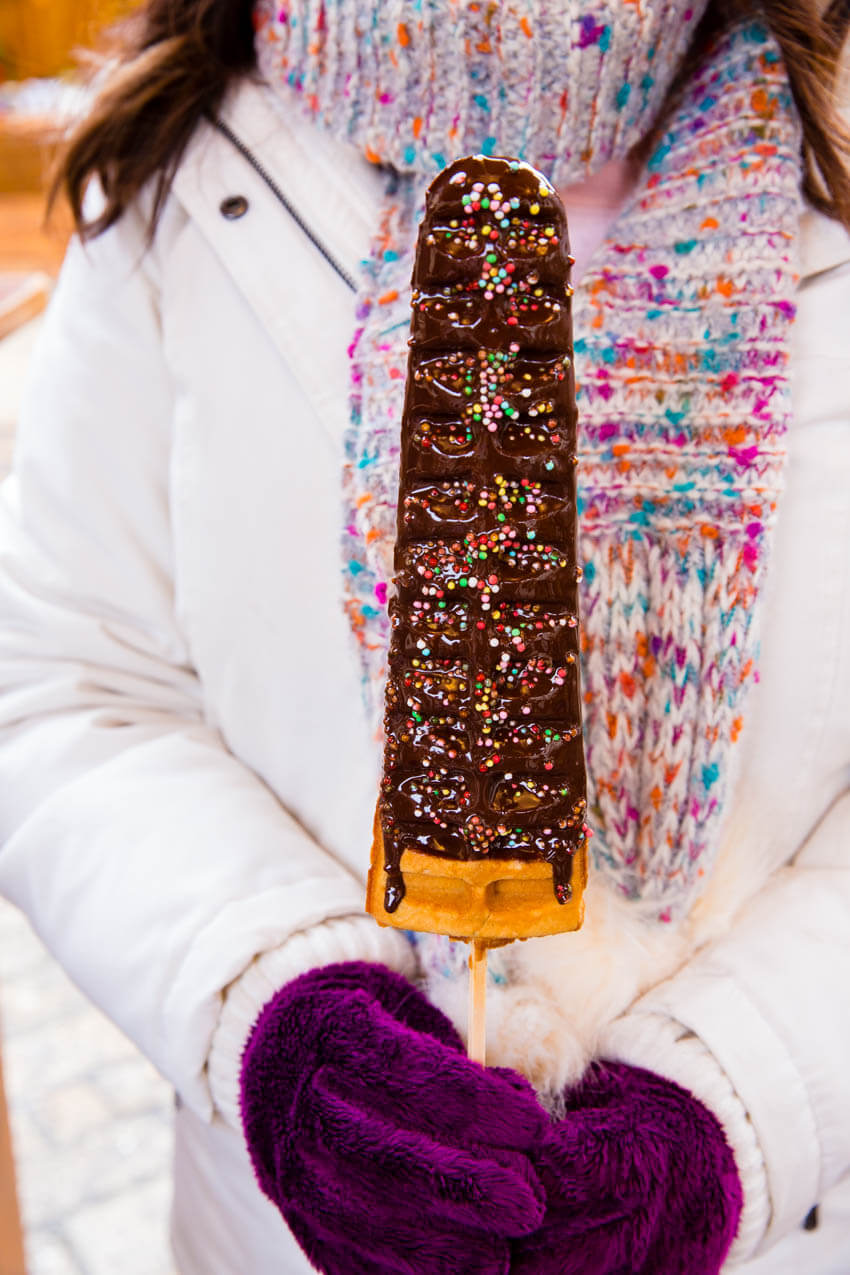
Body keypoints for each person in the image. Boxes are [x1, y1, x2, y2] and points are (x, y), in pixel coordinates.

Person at [1, 0, 849, 1270]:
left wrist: (734, 1105)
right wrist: (275, 1012)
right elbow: (67, 683)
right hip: (289, 1236)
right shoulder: (181, 166)